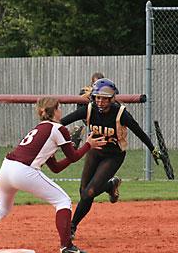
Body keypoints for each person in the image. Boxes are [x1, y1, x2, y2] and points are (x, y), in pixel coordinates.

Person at [0, 97, 107, 253]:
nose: (61, 111)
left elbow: (56, 168)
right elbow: (73, 157)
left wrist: (73, 147)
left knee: (2, 207)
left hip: (6, 168)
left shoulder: (38, 129)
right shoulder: (58, 129)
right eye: (59, 108)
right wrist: (88, 145)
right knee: (63, 201)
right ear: (55, 111)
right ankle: (66, 245)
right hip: (24, 170)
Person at [60, 78, 161, 240]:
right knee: (83, 191)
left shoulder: (121, 113)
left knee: (89, 193)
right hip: (94, 151)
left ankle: (71, 228)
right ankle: (110, 185)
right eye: (97, 97)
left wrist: (153, 149)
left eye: (104, 98)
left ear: (112, 98)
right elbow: (61, 123)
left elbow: (139, 131)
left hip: (114, 155)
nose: (100, 101)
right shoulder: (89, 109)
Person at [70, 72, 105, 148]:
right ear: (92, 83)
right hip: (92, 119)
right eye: (95, 83)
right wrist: (87, 121)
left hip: (105, 120)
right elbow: (80, 107)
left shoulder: (108, 91)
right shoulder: (85, 92)